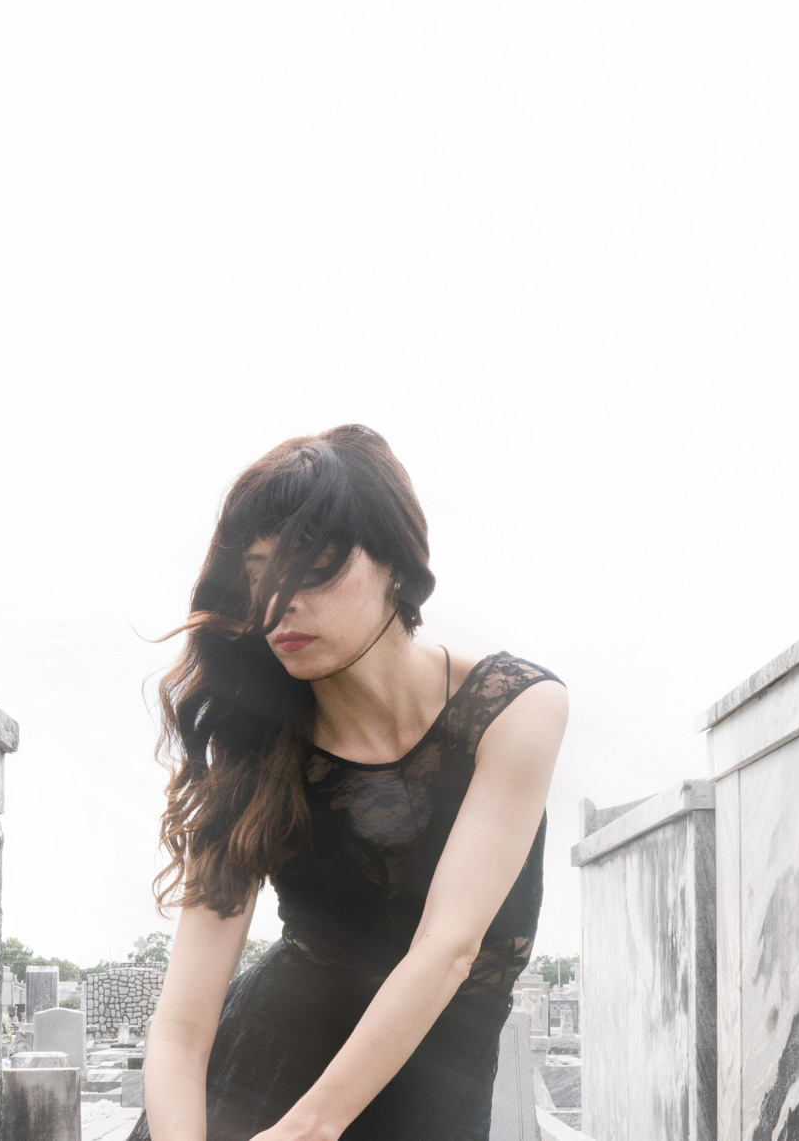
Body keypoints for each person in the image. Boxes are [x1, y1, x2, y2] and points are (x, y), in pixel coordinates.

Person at [131, 424, 568, 1141]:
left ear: (394, 563)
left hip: (419, 1089)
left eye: (316, 567)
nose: (279, 603)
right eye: (261, 570)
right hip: (256, 1078)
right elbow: (181, 1028)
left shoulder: (515, 710)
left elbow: (448, 949)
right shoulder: (255, 743)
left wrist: (309, 1131)